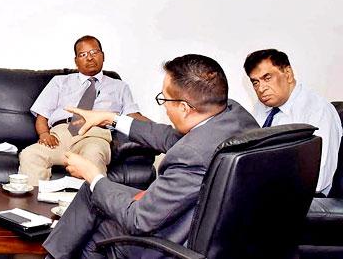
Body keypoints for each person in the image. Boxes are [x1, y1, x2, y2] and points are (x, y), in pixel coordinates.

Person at [43, 54, 258, 259]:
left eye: (165, 98)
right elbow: (167, 136)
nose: (163, 106)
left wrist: (93, 175)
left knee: (96, 221)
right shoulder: (232, 115)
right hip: (218, 235)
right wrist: (111, 118)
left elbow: (138, 220)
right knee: (93, 195)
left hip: (173, 244)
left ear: (184, 108)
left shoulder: (190, 156)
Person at [18, 35, 145, 186]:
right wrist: (44, 134)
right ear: (76, 61)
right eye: (83, 55)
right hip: (60, 136)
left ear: (102, 56)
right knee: (30, 155)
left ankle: (88, 208)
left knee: (93, 156)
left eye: (94, 53)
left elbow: (133, 115)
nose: (89, 58)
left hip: (95, 135)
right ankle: (34, 208)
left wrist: (161, 131)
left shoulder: (119, 86)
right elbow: (42, 115)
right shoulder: (59, 82)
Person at [245, 48, 342, 196]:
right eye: (255, 82)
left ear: (288, 74)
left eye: (267, 78)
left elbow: (319, 179)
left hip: (306, 200)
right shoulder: (262, 108)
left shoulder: (317, 111)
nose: (261, 88)